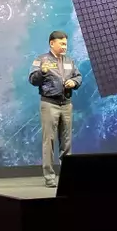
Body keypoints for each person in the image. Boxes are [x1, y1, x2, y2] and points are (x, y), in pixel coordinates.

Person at [29, 30, 82, 188]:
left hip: (66, 104)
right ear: (52, 43)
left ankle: (67, 175)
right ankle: (49, 176)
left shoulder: (69, 61)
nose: (65, 46)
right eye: (62, 43)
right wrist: (42, 72)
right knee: (49, 140)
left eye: (66, 44)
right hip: (49, 104)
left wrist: (74, 82)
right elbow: (32, 80)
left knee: (66, 142)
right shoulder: (41, 60)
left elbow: (78, 76)